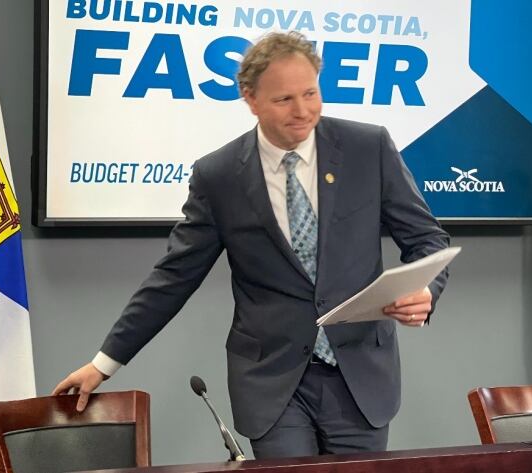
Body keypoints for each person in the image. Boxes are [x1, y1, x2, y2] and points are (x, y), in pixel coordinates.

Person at [53, 31, 450, 459]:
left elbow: (426, 237)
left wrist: (424, 291)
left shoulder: (367, 148)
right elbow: (174, 276)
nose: (303, 112)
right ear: (250, 97)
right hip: (273, 384)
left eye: (311, 94)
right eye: (284, 100)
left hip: (359, 378)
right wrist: (103, 364)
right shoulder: (219, 176)